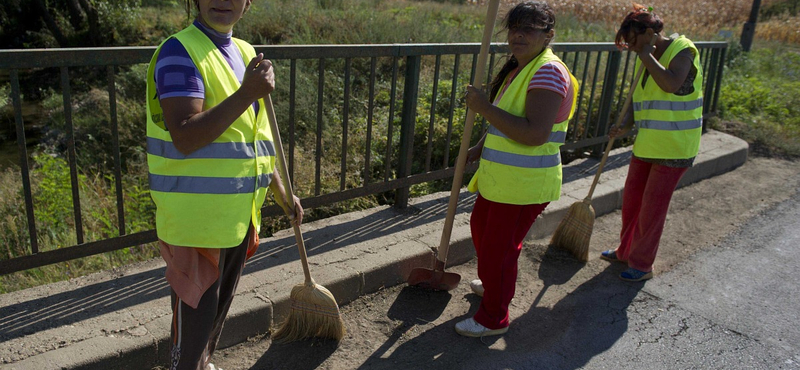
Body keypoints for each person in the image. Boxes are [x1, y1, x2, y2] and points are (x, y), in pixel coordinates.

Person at [145, 0, 303, 368]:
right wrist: (247, 92)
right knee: (195, 318)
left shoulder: (245, 51)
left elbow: (254, 138)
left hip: (236, 213)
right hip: (196, 218)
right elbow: (184, 136)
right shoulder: (178, 51)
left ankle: (202, 363)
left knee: (216, 308)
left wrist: (281, 191)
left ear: (248, 2)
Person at [458, 1, 577, 337]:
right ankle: (494, 286)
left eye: (529, 29)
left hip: (526, 182)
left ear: (548, 35)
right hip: (505, 181)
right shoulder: (520, 68)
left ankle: (493, 318)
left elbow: (534, 133)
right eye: (514, 28)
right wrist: (480, 147)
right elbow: (507, 121)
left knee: (498, 249)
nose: (519, 35)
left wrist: (482, 107)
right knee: (482, 231)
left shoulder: (548, 72)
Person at [600, 4, 703, 282]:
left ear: (649, 33)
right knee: (633, 201)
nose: (631, 47)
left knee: (652, 209)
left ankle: (642, 264)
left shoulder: (682, 49)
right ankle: (626, 251)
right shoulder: (647, 55)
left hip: (675, 147)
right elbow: (643, 96)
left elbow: (671, 84)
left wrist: (646, 57)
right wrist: (625, 125)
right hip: (647, 144)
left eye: (633, 40)